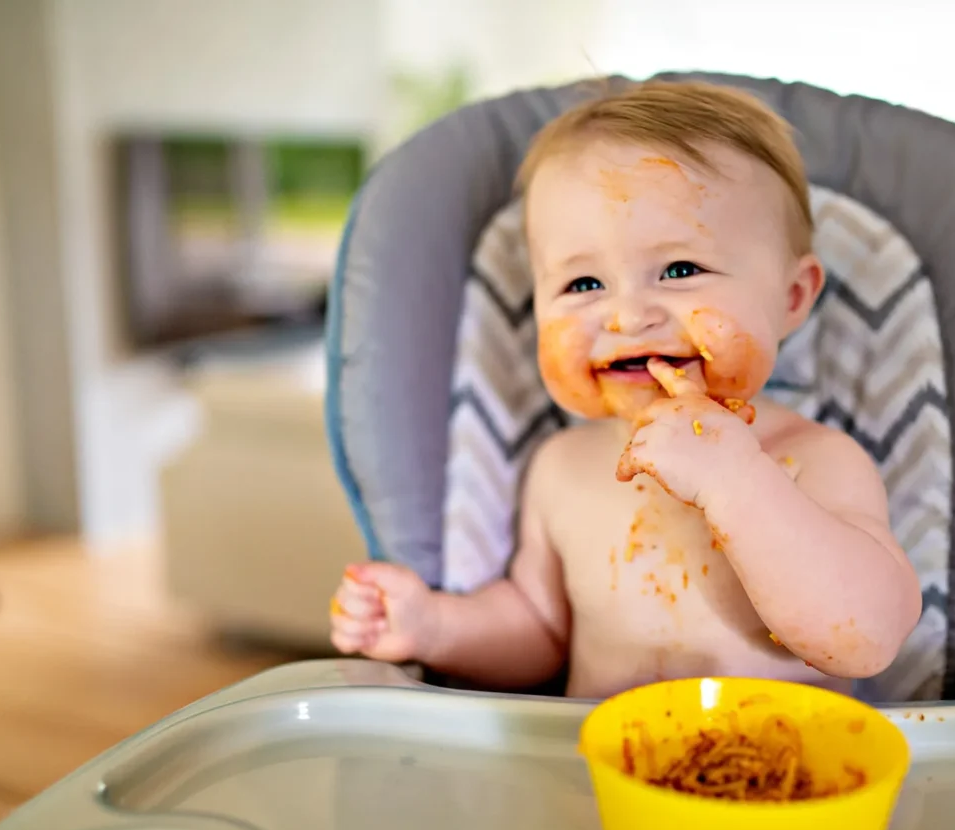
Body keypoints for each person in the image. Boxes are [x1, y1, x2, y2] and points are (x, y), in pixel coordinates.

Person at [329, 80, 921, 698]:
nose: (628, 317)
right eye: (583, 283)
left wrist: (736, 479)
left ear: (792, 298)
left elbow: (866, 639)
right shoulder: (563, 468)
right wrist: (435, 627)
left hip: (784, 781)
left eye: (681, 270)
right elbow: (539, 632)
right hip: (600, 782)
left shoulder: (816, 460)